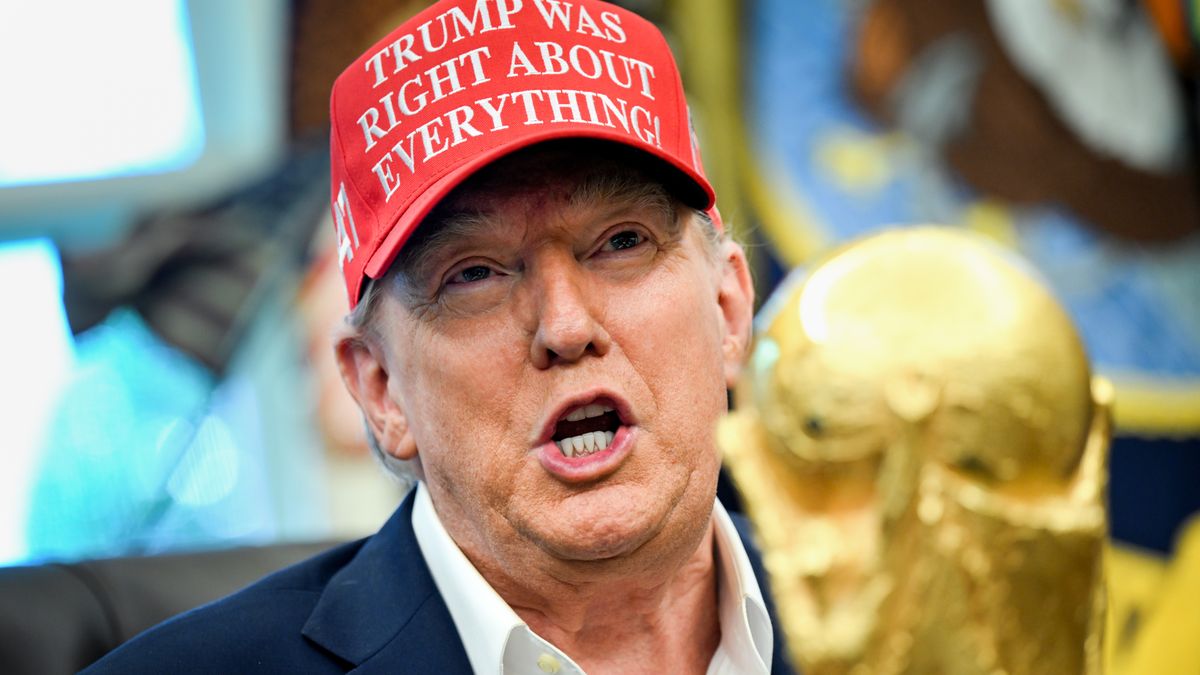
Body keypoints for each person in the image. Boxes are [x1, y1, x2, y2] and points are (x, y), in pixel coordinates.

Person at [85, 0, 794, 672]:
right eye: (474, 274)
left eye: (619, 241)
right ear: (380, 386)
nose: (567, 326)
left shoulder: (891, 623)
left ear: (729, 308)